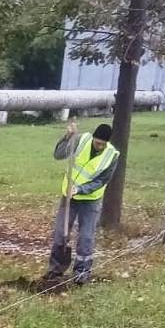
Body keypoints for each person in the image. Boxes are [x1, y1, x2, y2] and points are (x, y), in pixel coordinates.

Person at [44, 120, 121, 285]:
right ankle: (55, 270)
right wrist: (67, 137)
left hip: (91, 201)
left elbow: (101, 181)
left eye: (102, 144)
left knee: (86, 237)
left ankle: (81, 272)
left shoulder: (111, 156)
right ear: (93, 137)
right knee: (60, 234)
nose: (99, 146)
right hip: (68, 197)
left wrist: (80, 189)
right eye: (97, 142)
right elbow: (58, 155)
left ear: (107, 143)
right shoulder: (81, 140)